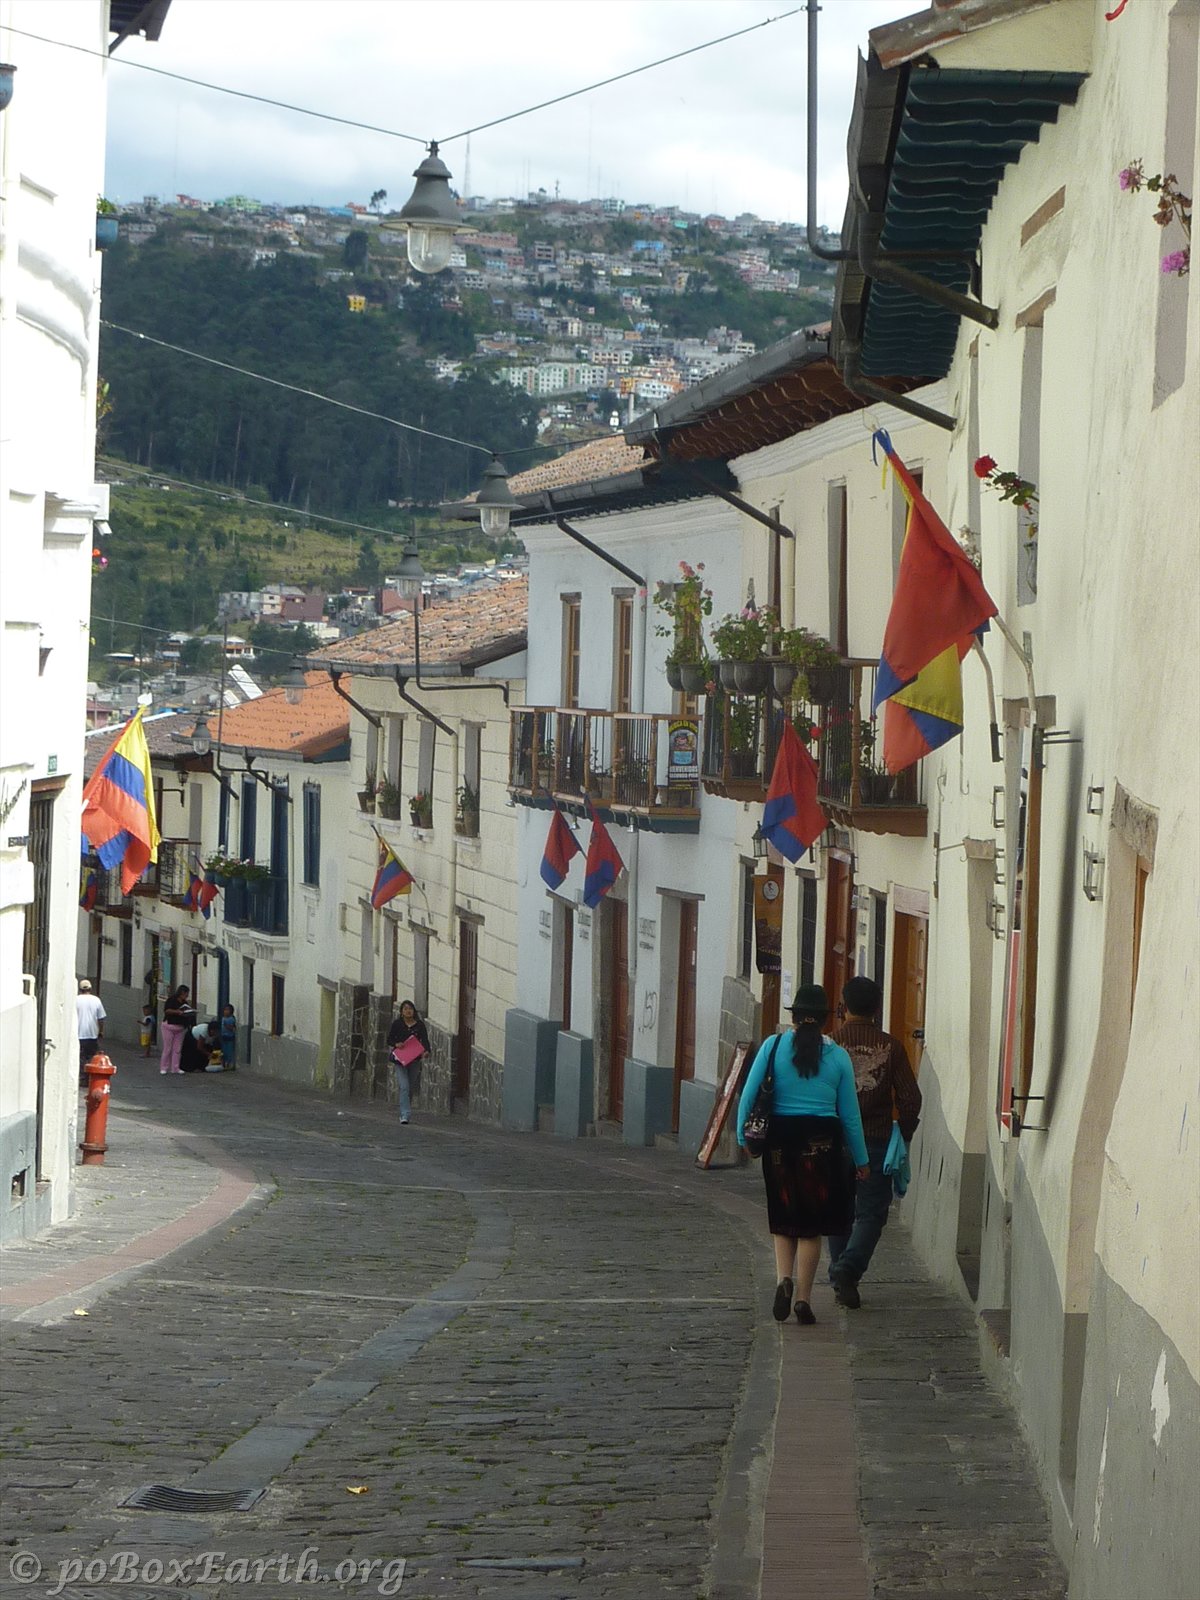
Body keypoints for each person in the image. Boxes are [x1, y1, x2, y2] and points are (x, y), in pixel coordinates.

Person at [736, 983, 868, 1326]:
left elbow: (748, 1095)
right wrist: (862, 1159)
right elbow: (850, 1115)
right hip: (822, 1143)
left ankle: (783, 1279)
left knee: (784, 1216)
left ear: (794, 1017)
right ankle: (804, 1300)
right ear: (825, 1021)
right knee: (812, 1227)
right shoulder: (838, 1057)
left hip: (780, 1139)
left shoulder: (773, 1046)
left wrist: (742, 1135)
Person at [827, 975, 923, 1309]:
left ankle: (842, 1275)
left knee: (839, 1211)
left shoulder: (831, 1045)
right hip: (877, 1140)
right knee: (871, 1213)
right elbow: (911, 1098)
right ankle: (848, 1271)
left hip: (836, 1140)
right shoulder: (892, 1047)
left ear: (844, 1005)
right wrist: (904, 1133)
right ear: (877, 1007)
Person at [386, 999, 429, 1125]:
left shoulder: (419, 1025)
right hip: (401, 1060)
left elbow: (425, 1040)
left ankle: (406, 1109)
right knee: (404, 1086)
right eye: (405, 1009)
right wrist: (396, 1044)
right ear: (401, 1012)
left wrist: (426, 1051)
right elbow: (389, 1039)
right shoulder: (397, 1024)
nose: (408, 1011)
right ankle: (405, 1114)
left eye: (410, 1008)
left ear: (413, 1011)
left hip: (414, 1059)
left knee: (409, 1087)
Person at [159, 986, 195, 1076]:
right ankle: (164, 1067)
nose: (186, 996)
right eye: (185, 994)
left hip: (180, 1027)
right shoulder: (171, 1000)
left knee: (177, 1049)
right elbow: (167, 1010)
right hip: (169, 1026)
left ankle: (175, 1067)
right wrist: (177, 1012)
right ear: (181, 993)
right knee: (167, 1048)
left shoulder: (185, 1003)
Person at [76, 980, 106, 1085]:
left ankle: (82, 1077)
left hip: (78, 1033)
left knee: (80, 1056)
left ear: (80, 989)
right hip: (92, 1034)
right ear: (90, 989)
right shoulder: (96, 1000)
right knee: (91, 1056)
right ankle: (89, 1077)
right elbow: (101, 1018)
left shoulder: (76, 1000)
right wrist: (101, 1031)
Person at [220, 1002, 237, 1070]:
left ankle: (229, 1063)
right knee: (224, 1051)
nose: (226, 1012)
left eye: (228, 1010)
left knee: (229, 1051)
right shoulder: (223, 1018)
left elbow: (232, 1028)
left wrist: (227, 1026)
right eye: (225, 1010)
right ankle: (224, 1063)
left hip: (230, 1037)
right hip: (223, 1036)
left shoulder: (231, 1019)